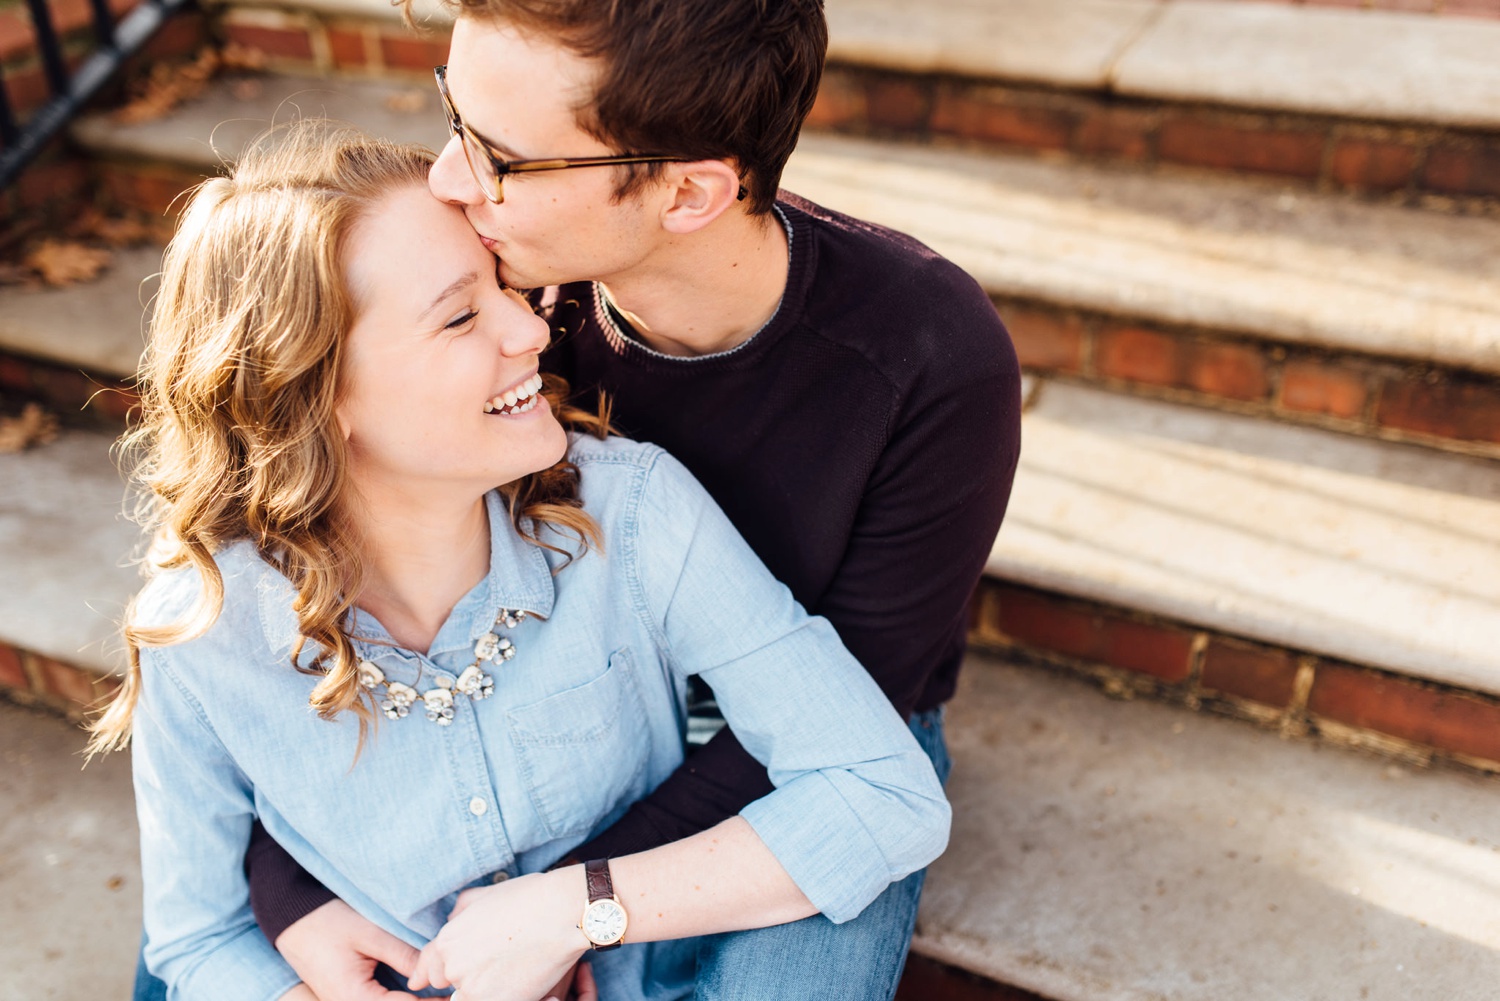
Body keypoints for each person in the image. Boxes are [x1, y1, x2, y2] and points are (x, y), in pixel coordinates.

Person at [133, 0, 1022, 998]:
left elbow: (855, 755)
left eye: (499, 153)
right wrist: (291, 889)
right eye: (450, 113)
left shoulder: (927, 357)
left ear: (688, 193)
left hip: (802, 720)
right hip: (488, 720)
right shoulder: (502, 286)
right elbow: (245, 706)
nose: (445, 178)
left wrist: (558, 907)